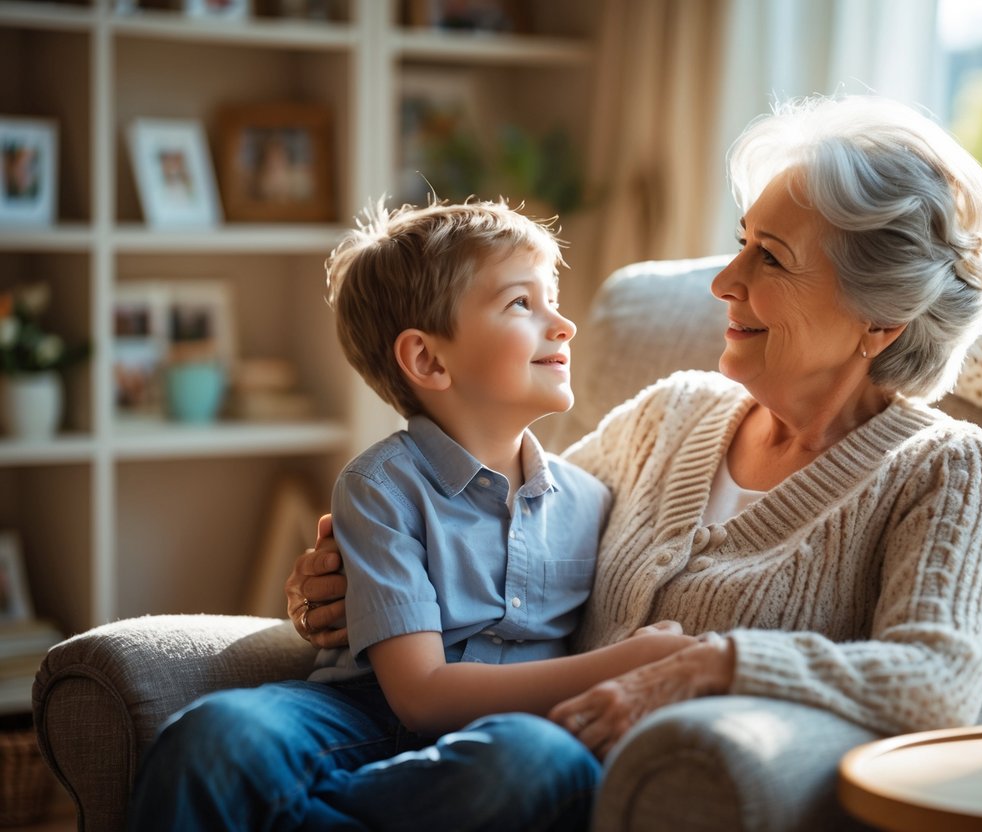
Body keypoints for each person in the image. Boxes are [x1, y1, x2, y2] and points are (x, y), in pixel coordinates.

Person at [291, 92, 982, 777]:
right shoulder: (669, 416)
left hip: (576, 778)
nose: (723, 280)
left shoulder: (945, 466)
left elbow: (938, 681)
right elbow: (495, 532)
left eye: (769, 256)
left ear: (878, 318)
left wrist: (712, 664)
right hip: (500, 763)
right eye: (742, 243)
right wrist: (336, 586)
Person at [126, 199, 695, 831]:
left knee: (543, 763)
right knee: (216, 734)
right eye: (519, 304)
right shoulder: (381, 486)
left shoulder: (595, 497)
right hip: (359, 715)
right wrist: (624, 660)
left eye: (552, 298)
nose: (562, 325)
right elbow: (420, 693)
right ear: (428, 360)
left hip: (502, 742)